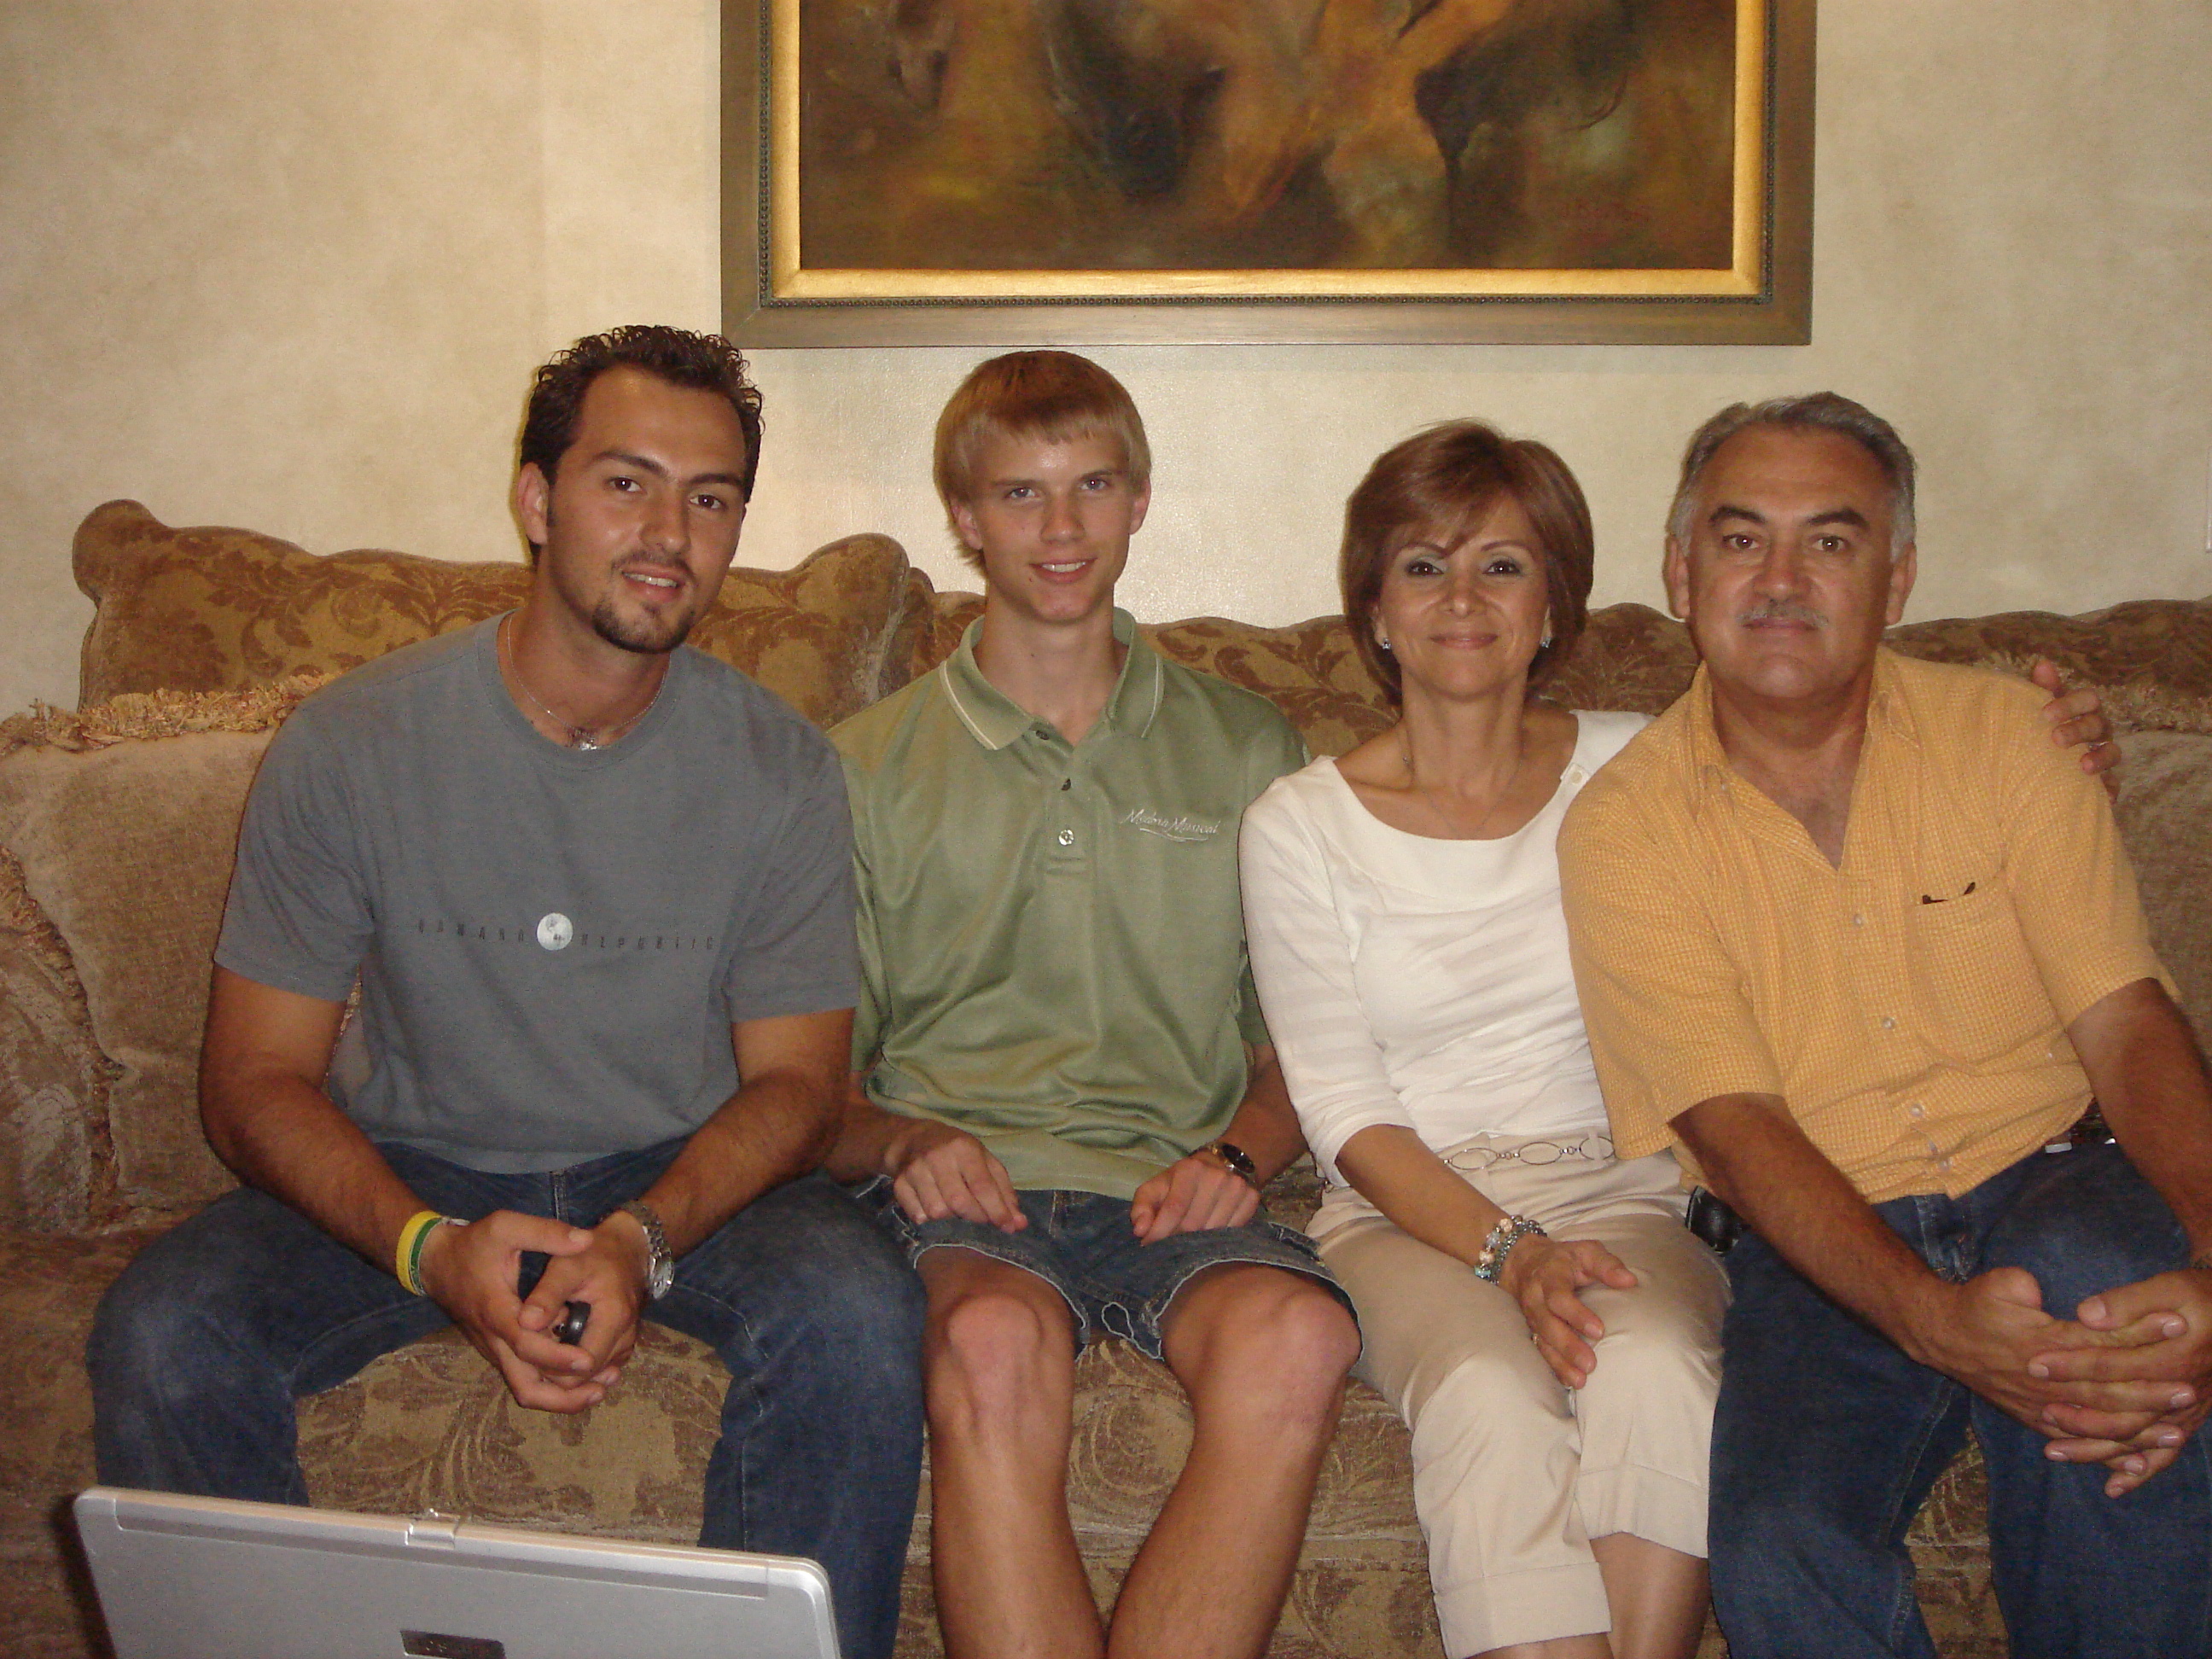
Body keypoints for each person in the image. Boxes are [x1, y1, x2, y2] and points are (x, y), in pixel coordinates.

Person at [87, 325, 927, 1659]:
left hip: (677, 1162)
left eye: (712, 499)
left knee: (862, 1315)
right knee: (165, 1327)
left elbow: (797, 1089)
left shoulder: (780, 768)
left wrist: (643, 1240)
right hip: (418, 1155)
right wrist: (427, 1247)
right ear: (536, 500)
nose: (670, 533)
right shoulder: (355, 742)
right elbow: (250, 1085)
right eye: (626, 482)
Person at [1237, 419, 2122, 1659]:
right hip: (1403, 1208)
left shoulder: (1639, 768)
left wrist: (2072, 734)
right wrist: (1511, 1252)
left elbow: (1852, 750)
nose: (1462, 601)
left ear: (1555, 606)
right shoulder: (1299, 824)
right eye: (1422, 567)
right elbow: (1340, 1107)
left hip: (1628, 1182)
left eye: (1503, 565)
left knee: (1652, 1365)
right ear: (1374, 610)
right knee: (1490, 1393)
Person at [1557, 393, 2212, 1659]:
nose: (1783, 579)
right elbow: (1735, 1130)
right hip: (1823, 1232)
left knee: (2127, 1339)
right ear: (1681, 574)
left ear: (1898, 578)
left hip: (2058, 1168)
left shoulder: (2014, 736)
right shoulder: (1626, 829)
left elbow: (2123, 1018)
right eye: (1742, 540)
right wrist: (1933, 1320)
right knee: (1776, 1546)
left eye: (1833, 541)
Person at [825, 349, 1362, 1659]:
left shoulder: (1247, 747)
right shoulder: (863, 766)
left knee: (1298, 1335)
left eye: (1092, 487)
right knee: (1000, 1342)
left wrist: (1244, 1153)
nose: (1060, 530)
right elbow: (804, 1087)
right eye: (1019, 494)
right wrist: (904, 1144)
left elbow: (1312, 1040)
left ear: (1140, 500)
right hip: (965, 1198)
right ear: (963, 516)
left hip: (1169, 1187)